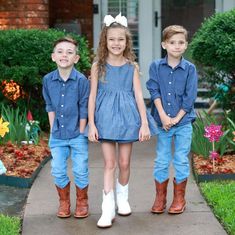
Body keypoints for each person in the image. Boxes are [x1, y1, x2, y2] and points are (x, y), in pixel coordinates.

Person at [88, 13, 158, 228]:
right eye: (111, 39)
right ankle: (107, 209)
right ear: (105, 41)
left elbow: (138, 95)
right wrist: (92, 123)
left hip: (128, 118)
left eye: (120, 39)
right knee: (110, 163)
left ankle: (123, 198)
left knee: (125, 163)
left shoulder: (132, 67)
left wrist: (144, 123)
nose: (116, 43)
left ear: (127, 42)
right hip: (105, 118)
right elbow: (92, 96)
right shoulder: (98, 65)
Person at [146, 25, 198, 215]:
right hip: (163, 123)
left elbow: (190, 96)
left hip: (183, 122)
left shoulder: (190, 69)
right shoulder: (156, 67)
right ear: (164, 44)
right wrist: (162, 115)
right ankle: (160, 198)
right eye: (172, 42)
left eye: (181, 42)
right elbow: (154, 90)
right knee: (161, 159)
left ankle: (179, 199)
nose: (176, 46)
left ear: (186, 45)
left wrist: (176, 118)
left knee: (181, 160)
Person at [42, 37, 90, 219]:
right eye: (60, 52)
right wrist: (54, 127)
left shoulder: (81, 81)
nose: (64, 55)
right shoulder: (48, 80)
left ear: (76, 59)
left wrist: (82, 130)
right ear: (53, 56)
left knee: (80, 168)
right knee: (58, 169)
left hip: (77, 133)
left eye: (70, 52)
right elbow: (49, 105)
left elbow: (84, 106)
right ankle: (64, 202)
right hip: (58, 133)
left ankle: (82, 201)